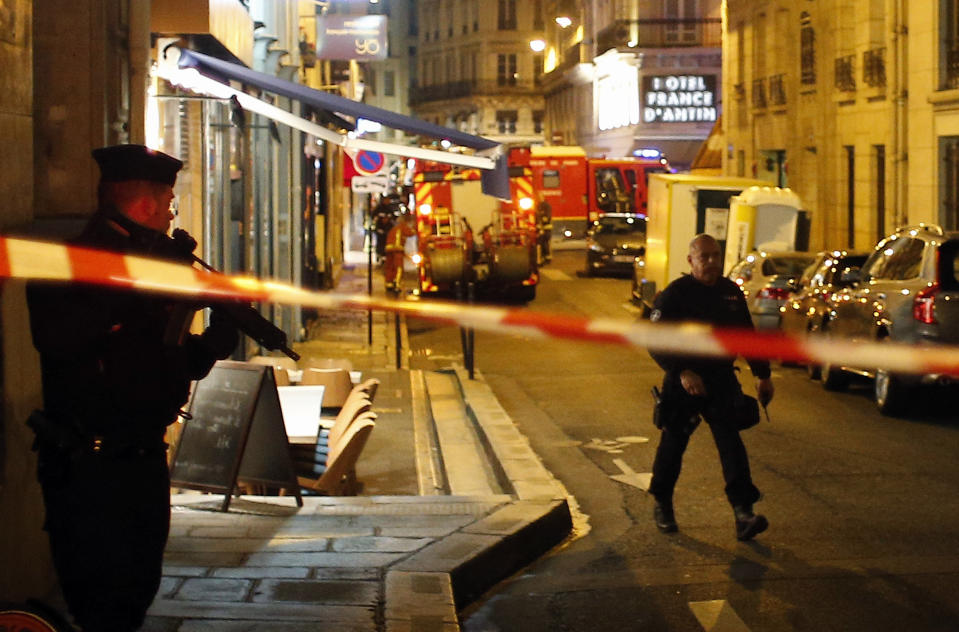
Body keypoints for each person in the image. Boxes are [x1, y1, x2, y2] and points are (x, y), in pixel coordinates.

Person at [26, 144, 239, 631]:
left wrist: (210, 346)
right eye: (168, 204)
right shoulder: (71, 264)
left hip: (142, 460)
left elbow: (163, 361)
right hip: (88, 469)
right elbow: (59, 340)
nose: (169, 215)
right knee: (100, 600)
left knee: (137, 592)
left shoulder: (159, 268)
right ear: (145, 204)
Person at [647, 233, 774, 541]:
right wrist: (681, 371)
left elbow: (746, 334)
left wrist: (762, 374)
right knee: (673, 445)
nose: (712, 262)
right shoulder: (675, 295)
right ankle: (662, 502)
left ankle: (743, 512)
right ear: (691, 261)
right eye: (704, 257)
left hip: (720, 379)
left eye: (716, 256)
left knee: (731, 445)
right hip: (684, 379)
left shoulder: (730, 293)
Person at [383, 211, 416, 293]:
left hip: (389, 249)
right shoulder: (403, 227)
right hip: (397, 249)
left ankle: (388, 284)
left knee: (390, 267)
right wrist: (417, 228)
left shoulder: (394, 229)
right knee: (398, 267)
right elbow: (411, 233)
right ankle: (396, 284)